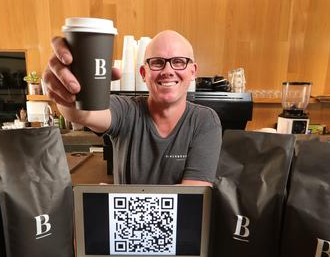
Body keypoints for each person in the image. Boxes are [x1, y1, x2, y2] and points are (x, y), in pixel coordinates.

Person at [43, 30, 222, 186]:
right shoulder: (127, 110)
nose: (168, 70)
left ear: (193, 71)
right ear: (144, 73)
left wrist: (118, 199)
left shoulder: (205, 120)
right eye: (158, 62)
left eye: (179, 61)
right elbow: (83, 113)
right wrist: (68, 90)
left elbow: (192, 199)